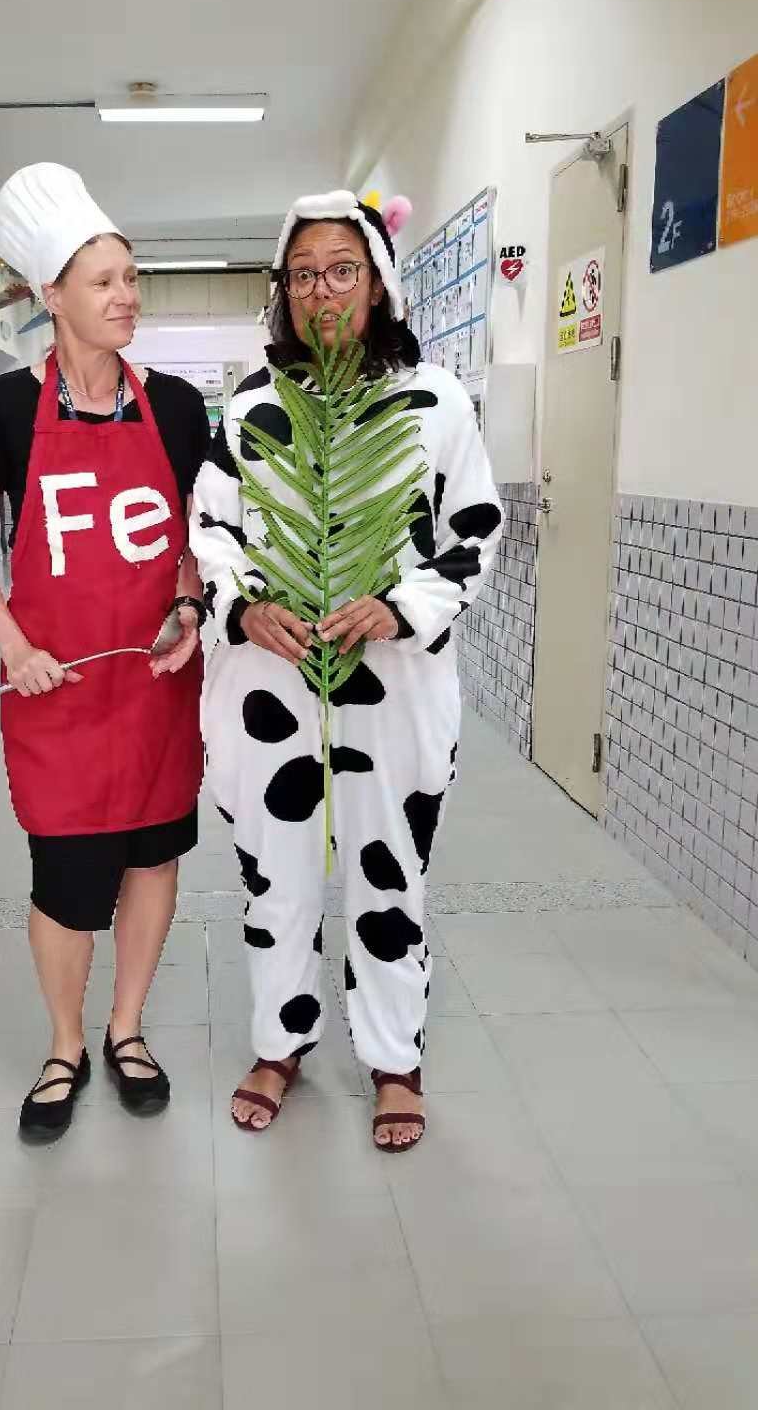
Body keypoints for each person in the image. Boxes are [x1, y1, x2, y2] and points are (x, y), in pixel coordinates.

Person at [191, 190, 503, 1151]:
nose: (321, 291)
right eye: (303, 275)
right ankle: (280, 1043)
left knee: (389, 872)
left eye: (341, 271)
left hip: (392, 686)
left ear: (376, 285)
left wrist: (400, 608)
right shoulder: (251, 408)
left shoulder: (436, 400)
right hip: (271, 686)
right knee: (275, 879)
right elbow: (212, 530)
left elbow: (475, 532)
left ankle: (394, 1058)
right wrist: (245, 606)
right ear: (283, 292)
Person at [0, 163, 209, 1141]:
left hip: (155, 685)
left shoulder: (176, 408)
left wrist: (189, 605)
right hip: (54, 693)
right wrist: (14, 645)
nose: (126, 296)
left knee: (153, 860)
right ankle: (64, 1045)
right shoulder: (2, 409)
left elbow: (194, 539)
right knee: (64, 881)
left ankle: (126, 1028)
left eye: (131, 278)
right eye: (103, 282)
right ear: (49, 295)